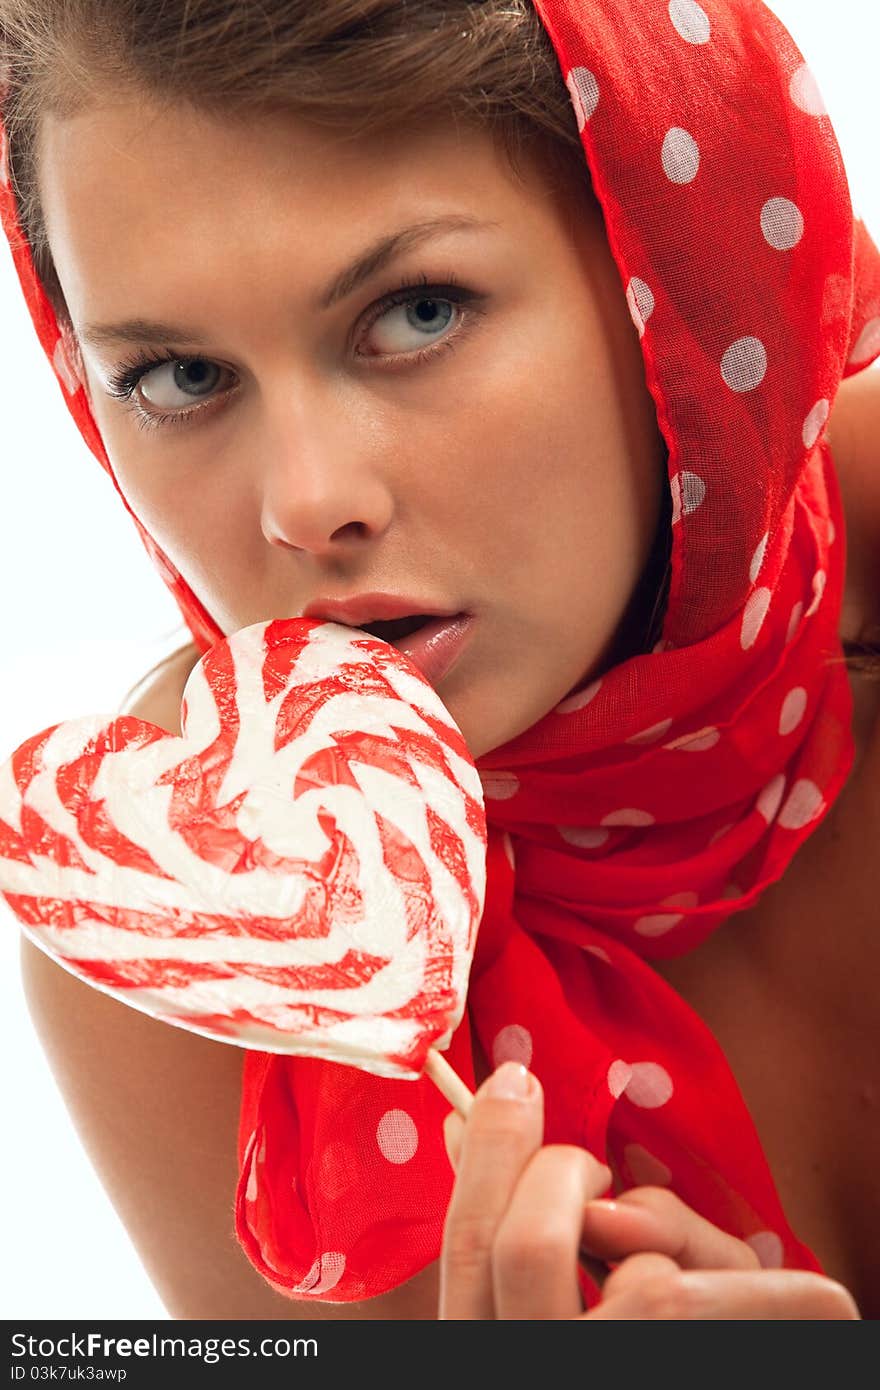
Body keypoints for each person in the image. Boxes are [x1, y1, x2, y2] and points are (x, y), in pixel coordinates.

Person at [1, 0, 877, 1320]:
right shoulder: (194, 915)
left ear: (670, 273)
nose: (306, 504)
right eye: (180, 376)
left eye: (417, 311)